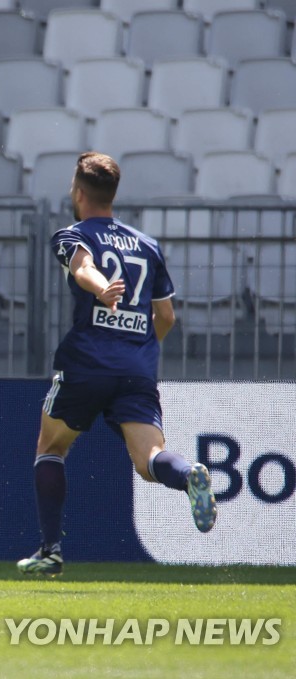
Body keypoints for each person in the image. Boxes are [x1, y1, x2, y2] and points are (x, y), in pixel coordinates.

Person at [17, 152, 217, 577]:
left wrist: (103, 288)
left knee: (51, 447)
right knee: (149, 460)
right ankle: (188, 476)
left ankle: (50, 550)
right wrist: (139, 349)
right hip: (137, 368)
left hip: (87, 363)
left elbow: (84, 268)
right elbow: (166, 317)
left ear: (78, 192)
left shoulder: (72, 235)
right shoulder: (148, 245)